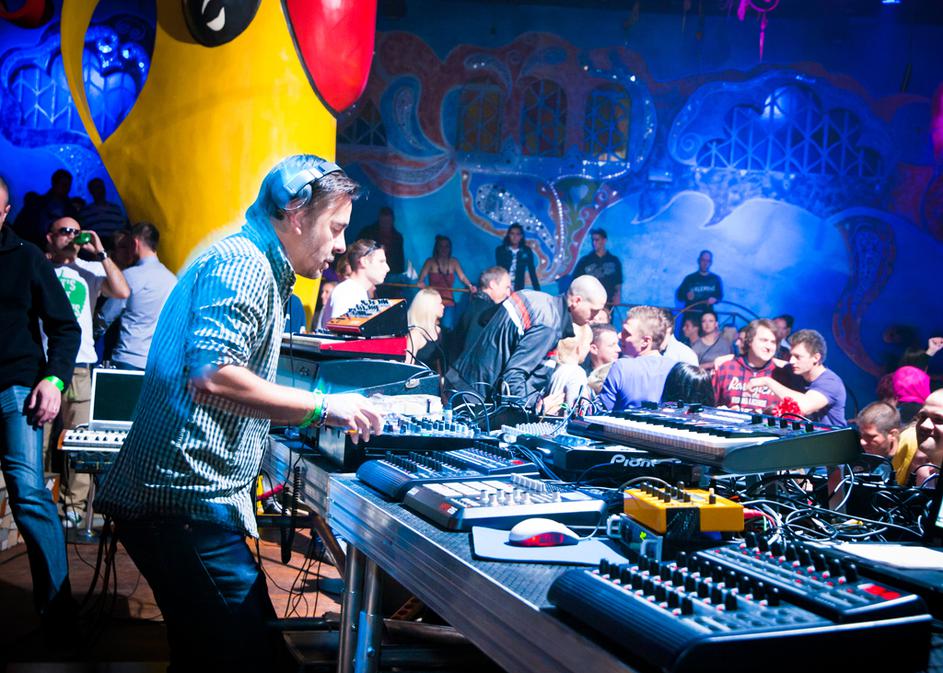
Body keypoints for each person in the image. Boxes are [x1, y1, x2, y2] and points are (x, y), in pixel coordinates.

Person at [95, 154, 384, 670]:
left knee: (202, 655)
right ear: (296, 214)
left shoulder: (250, 259)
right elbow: (214, 374)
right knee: (251, 660)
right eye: (336, 228)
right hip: (183, 504)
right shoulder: (244, 264)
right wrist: (323, 408)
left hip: (180, 505)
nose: (341, 245)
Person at [0, 175, 81, 640]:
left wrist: (54, 379)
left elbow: (65, 327)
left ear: (6, 212)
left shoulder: (27, 256)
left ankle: (58, 614)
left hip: (15, 390)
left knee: (29, 496)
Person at [46, 216, 130, 526]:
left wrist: (101, 252)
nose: (71, 236)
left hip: (79, 366)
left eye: (76, 231)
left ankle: (75, 505)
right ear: (50, 237)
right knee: (41, 440)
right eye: (64, 231)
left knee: (78, 440)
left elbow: (122, 291)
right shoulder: (42, 268)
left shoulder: (91, 270)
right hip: (44, 365)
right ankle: (41, 501)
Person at [446, 275, 607, 402]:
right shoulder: (549, 325)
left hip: (461, 383)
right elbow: (513, 378)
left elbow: (485, 318)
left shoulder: (534, 298)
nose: (594, 318)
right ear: (576, 301)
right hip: (474, 398)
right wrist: (538, 406)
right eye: (593, 311)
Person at [97, 222, 177, 370]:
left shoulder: (129, 276)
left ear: (135, 243)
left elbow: (106, 317)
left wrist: (91, 333)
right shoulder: (172, 280)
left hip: (128, 357)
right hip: (157, 363)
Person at [745, 329, 847, 427]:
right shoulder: (797, 370)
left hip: (830, 438)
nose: (792, 361)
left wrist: (767, 381)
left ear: (816, 358)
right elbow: (773, 362)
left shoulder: (831, 383)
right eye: (791, 355)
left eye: (798, 357)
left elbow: (804, 406)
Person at [596, 306, 676, 411]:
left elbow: (601, 411)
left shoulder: (622, 367)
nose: (620, 335)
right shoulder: (676, 368)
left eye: (627, 333)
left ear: (646, 341)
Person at [317, 238, 389, 329]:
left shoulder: (355, 291)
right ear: (364, 261)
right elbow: (341, 333)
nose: (387, 268)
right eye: (381, 261)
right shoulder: (347, 292)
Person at [712, 318, 781, 412]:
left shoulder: (781, 373)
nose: (769, 346)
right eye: (764, 340)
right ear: (749, 340)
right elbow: (708, 405)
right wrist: (721, 412)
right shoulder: (726, 368)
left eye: (773, 342)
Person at [452, 266, 512, 360]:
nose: (508, 293)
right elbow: (471, 350)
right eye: (507, 287)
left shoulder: (476, 304)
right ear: (493, 284)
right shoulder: (484, 311)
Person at [417, 235, 475, 330]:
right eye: (441, 246)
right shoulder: (430, 261)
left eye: (446, 246)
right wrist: (421, 283)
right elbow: (421, 279)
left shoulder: (454, 262)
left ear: (450, 248)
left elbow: (462, 277)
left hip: (449, 302)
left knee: (447, 329)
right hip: (433, 302)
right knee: (431, 328)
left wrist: (469, 286)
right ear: (437, 248)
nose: (444, 249)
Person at [572, 228, 623, 307]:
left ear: (604, 240)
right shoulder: (585, 261)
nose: (594, 243)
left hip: (608, 302)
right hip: (589, 302)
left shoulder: (614, 261)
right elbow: (576, 281)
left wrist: (617, 296)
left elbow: (618, 282)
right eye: (593, 240)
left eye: (597, 240)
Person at [547, 325, 593, 411]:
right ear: (578, 348)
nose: (590, 348)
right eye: (589, 343)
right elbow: (577, 411)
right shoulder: (577, 373)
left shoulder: (557, 370)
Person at [77, 178, 128, 250]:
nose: (99, 190)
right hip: (94, 247)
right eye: (96, 188)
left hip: (115, 246)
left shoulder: (115, 209)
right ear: (91, 191)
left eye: (100, 187)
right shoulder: (85, 212)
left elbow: (122, 228)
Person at [675, 249, 722, 319]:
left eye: (708, 261)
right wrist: (686, 295)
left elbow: (719, 296)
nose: (705, 263)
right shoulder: (689, 278)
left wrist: (715, 299)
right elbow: (679, 295)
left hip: (707, 317)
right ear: (698, 261)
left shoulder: (715, 279)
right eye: (703, 260)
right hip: (690, 316)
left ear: (711, 263)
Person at [358, 206, 405, 275]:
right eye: (383, 222)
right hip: (369, 271)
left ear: (392, 221)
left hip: (391, 274)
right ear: (379, 219)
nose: (385, 225)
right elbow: (357, 252)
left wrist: (398, 275)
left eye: (388, 222)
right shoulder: (367, 233)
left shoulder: (398, 238)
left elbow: (399, 261)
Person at [406, 288, 446, 371]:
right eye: (440, 304)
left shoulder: (438, 330)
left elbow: (438, 362)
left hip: (433, 378)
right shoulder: (415, 335)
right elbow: (407, 367)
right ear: (429, 307)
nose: (443, 306)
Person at [495, 223, 540, 292]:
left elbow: (532, 272)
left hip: (518, 287)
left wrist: (538, 291)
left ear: (521, 236)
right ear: (508, 235)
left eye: (518, 234)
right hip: (503, 285)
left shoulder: (526, 251)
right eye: (512, 234)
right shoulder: (501, 250)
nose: (515, 237)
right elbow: (499, 270)